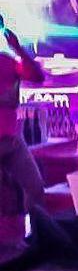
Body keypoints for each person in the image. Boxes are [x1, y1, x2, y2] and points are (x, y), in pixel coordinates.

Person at [0, 24, 45, 215]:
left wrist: (17, 48)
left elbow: (37, 76)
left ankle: (28, 229)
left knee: (34, 188)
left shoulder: (6, 61)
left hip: (11, 138)